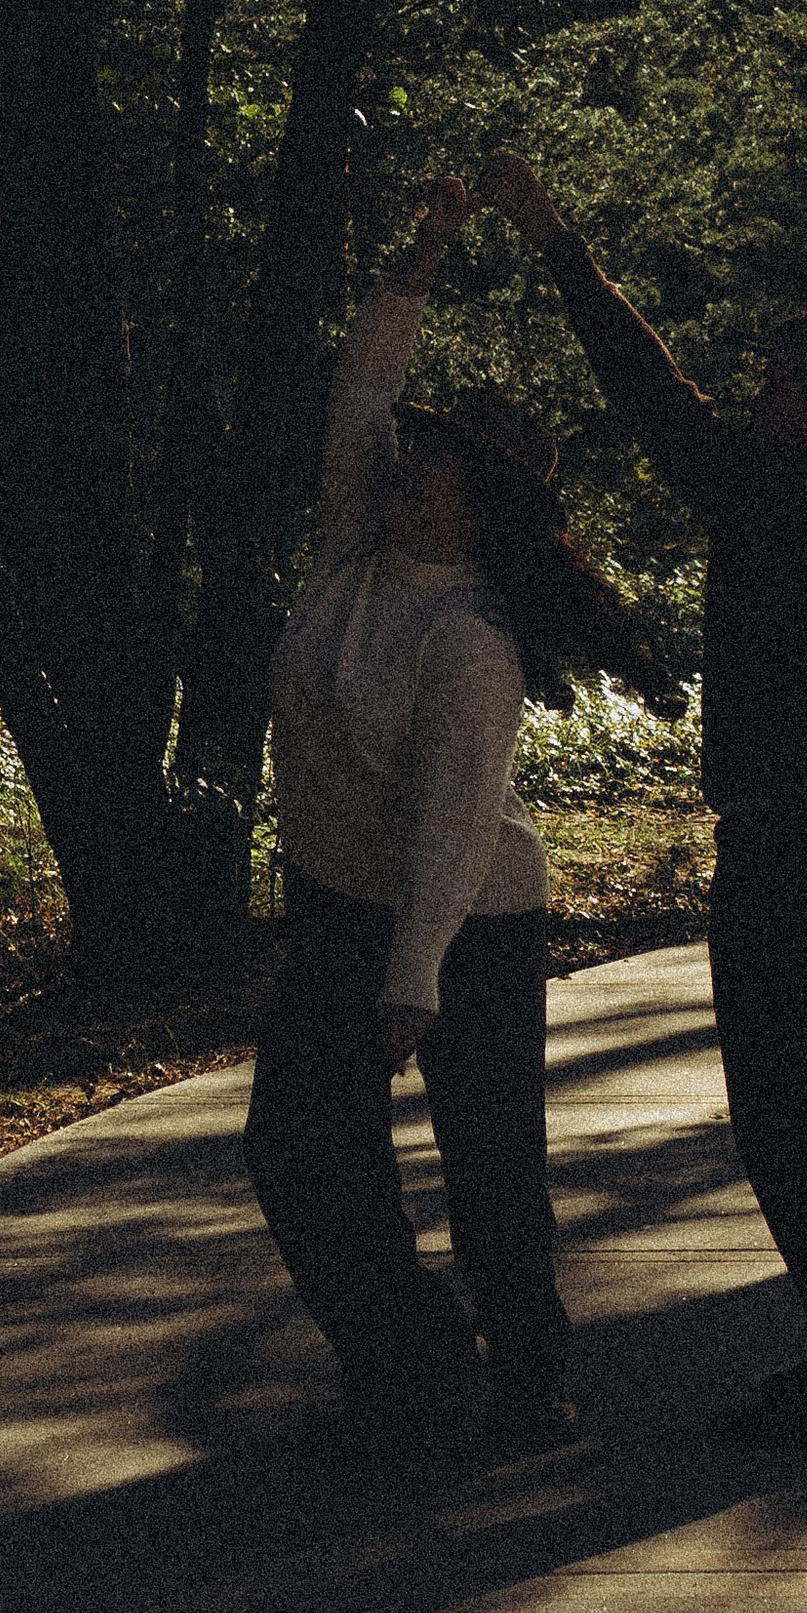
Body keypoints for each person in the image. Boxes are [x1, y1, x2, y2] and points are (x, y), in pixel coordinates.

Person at [480, 154, 807, 1453]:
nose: (758, 403)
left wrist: (558, 240)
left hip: (794, 854)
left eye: (781, 387)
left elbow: (649, 398)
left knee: (788, 1116)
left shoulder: (794, 497)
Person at [244, 175, 669, 1463]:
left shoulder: (472, 639)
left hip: (464, 927)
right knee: (300, 1153)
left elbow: (455, 821)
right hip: (336, 903)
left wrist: (414, 975)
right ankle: (413, 1358)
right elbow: (359, 400)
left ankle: (530, 1383)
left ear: (485, 512)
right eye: (413, 466)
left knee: (490, 1168)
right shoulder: (350, 558)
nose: (410, 482)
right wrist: (419, 256)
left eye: (439, 478)